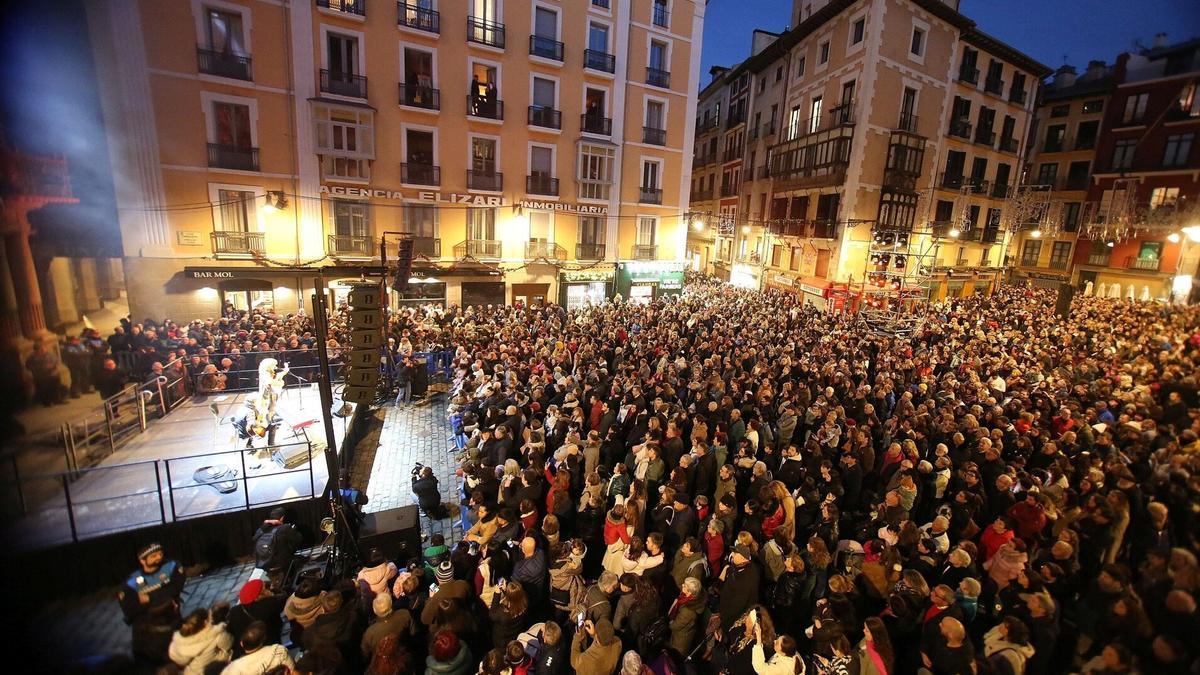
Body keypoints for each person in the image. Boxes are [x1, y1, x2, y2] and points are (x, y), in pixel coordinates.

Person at [168, 605, 234, 675]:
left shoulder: (180, 637)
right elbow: (228, 645)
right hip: (212, 670)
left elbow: (179, 659)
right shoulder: (217, 633)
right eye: (210, 617)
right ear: (205, 622)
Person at [222, 621, 293, 674]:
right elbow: (292, 670)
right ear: (262, 640)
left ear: (241, 644)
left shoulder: (235, 668)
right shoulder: (279, 651)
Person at [26, 340, 65, 406]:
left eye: (43, 348)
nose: (43, 350)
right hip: (41, 375)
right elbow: (30, 367)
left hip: (51, 373)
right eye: (40, 349)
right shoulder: (32, 358)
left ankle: (57, 399)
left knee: (56, 382)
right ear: (36, 351)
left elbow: (56, 361)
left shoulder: (49, 355)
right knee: (44, 385)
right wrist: (41, 368)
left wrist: (53, 367)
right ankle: (47, 401)